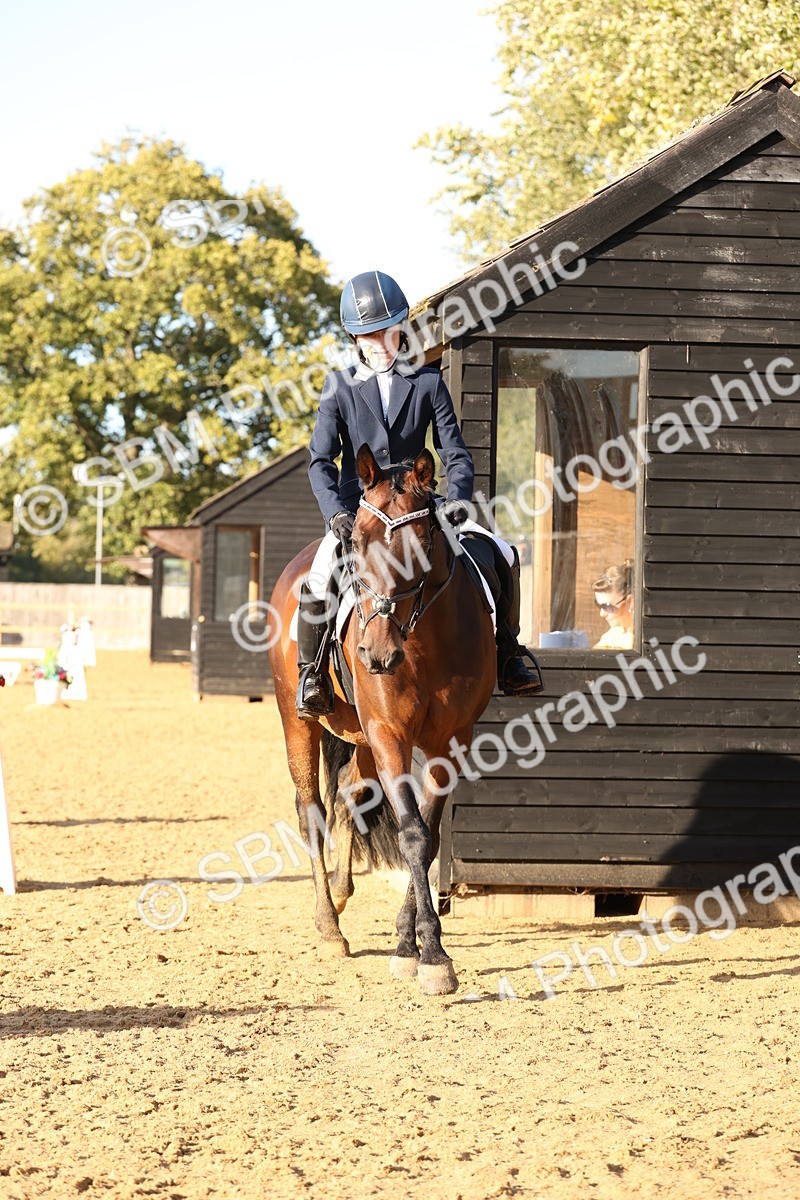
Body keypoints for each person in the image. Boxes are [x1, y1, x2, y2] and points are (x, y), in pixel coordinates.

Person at [296, 269, 543, 719]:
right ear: (354, 337)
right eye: (367, 334)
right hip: (363, 515)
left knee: (503, 553)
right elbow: (320, 462)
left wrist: (456, 500)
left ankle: (509, 654)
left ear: (399, 330)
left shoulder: (427, 383)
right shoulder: (338, 388)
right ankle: (312, 674)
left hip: (420, 511)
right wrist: (336, 514)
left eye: (385, 331)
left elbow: (456, 453)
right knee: (316, 579)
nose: (378, 342)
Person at [592, 561, 634, 650]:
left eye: (608, 607)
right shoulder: (613, 634)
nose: (602, 614)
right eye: (598, 605)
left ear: (630, 602)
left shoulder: (640, 641)